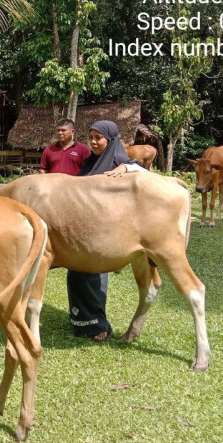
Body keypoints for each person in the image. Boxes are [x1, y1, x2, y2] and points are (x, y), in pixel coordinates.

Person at [67, 120, 146, 342]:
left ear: (110, 139)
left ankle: (99, 324)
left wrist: (127, 167)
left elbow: (146, 175)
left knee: (94, 276)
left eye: (98, 138)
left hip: (104, 231)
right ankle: (80, 319)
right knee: (76, 274)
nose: (93, 142)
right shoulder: (91, 161)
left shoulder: (119, 160)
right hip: (83, 227)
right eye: (91, 137)